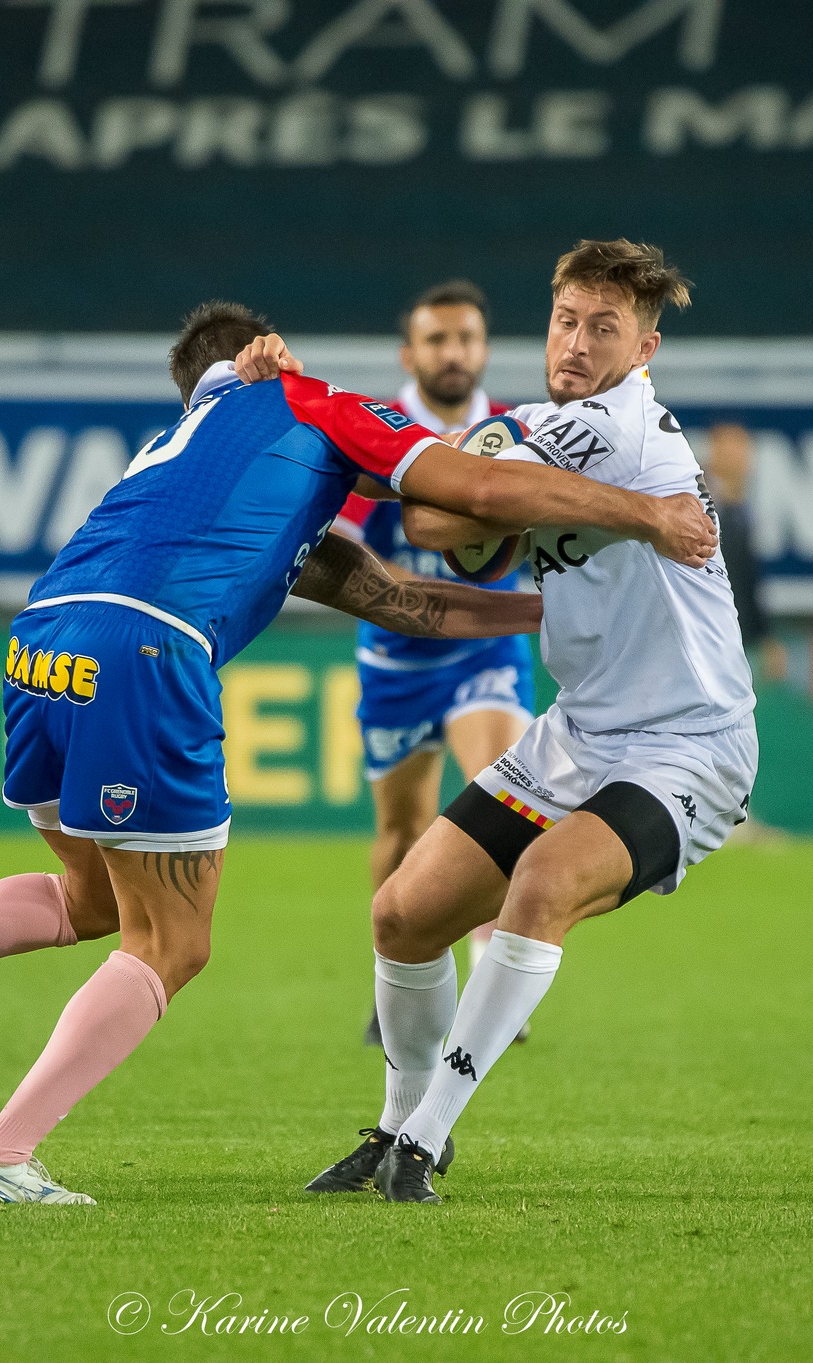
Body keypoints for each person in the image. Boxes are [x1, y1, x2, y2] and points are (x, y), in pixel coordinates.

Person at [0, 300, 719, 1207]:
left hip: (43, 641)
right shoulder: (310, 400)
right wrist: (649, 513)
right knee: (175, 942)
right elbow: (471, 492)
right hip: (146, 651)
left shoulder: (186, 456)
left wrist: (547, 610)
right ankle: (0, 1154)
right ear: (265, 358)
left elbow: (403, 602)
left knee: (94, 900)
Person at [303, 239, 756, 1203]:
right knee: (402, 913)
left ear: (646, 350)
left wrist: (467, 496)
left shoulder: (613, 430)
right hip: (582, 733)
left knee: (544, 881)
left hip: (691, 743)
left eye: (606, 329)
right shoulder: (539, 426)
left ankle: (419, 1142)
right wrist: (480, 500)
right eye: (566, 319)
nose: (578, 342)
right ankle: (394, 1119)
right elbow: (454, 526)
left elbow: (439, 520)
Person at [334, 281, 535, 1048]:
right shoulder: (374, 433)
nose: (454, 353)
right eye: (438, 340)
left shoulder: (512, 433)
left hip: (484, 646)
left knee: (499, 793)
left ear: (483, 348)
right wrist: (399, 584)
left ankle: (490, 971)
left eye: (467, 339)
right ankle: (400, 979)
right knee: (402, 828)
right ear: (409, 353)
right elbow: (343, 543)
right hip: (396, 657)